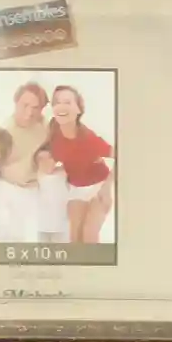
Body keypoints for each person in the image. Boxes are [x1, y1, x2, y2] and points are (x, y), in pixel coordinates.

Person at [47, 85, 114, 243]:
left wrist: (107, 188)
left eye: (67, 102)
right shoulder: (53, 132)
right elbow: (59, 158)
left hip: (99, 187)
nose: (61, 106)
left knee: (89, 234)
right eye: (57, 102)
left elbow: (123, 156)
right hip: (76, 189)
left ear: (78, 109)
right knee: (75, 238)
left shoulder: (89, 139)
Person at [33, 144, 70, 242]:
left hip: (61, 227)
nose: (46, 162)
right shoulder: (36, 177)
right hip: (42, 227)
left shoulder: (63, 173)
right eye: (41, 159)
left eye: (49, 158)